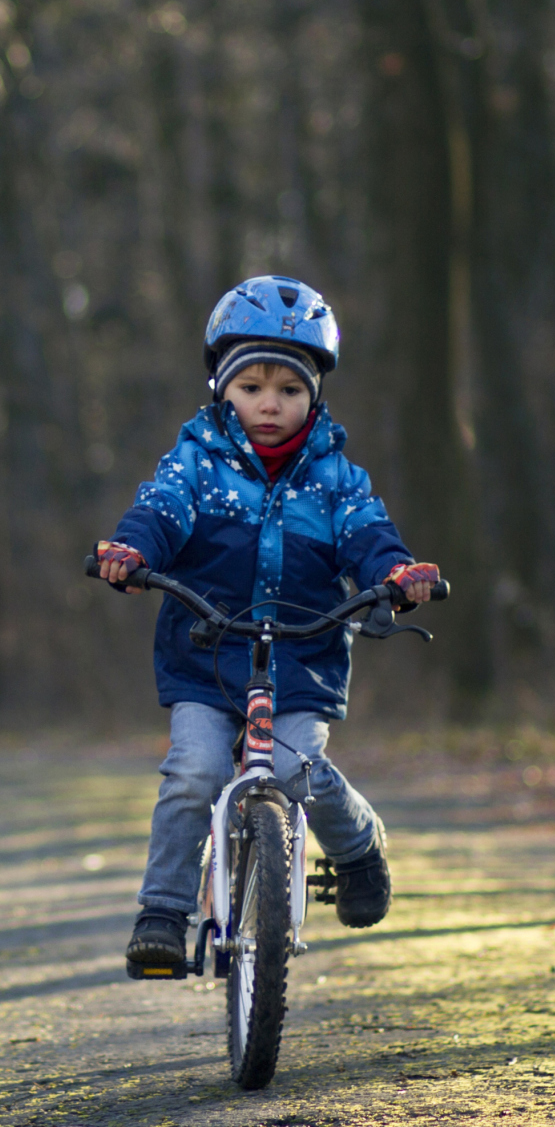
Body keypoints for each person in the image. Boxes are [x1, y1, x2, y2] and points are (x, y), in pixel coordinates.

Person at [95, 275, 440, 979]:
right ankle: (162, 912)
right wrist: (133, 551)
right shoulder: (195, 462)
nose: (269, 404)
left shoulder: (335, 478)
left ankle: (358, 848)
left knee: (295, 771)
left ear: (313, 395)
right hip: (207, 651)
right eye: (251, 387)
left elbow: (367, 535)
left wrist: (397, 573)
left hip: (302, 653)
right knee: (192, 772)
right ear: (224, 389)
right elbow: (161, 512)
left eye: (288, 388)